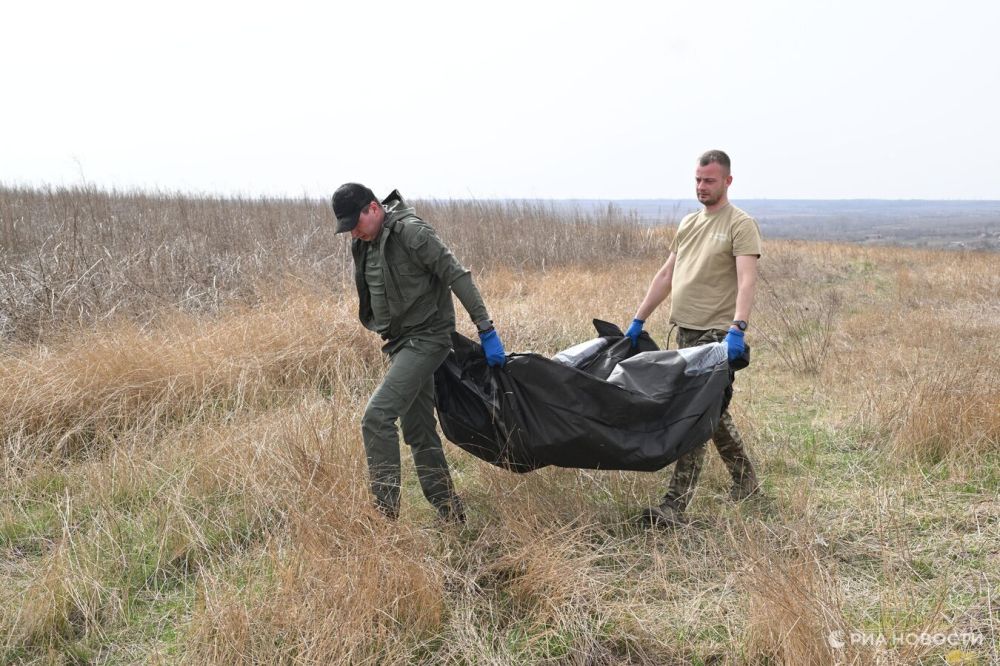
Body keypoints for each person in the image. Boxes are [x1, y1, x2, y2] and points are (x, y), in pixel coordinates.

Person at [333, 183, 506, 522]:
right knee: (419, 429)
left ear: (373, 208)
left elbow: (456, 274)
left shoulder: (412, 232)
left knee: (376, 417)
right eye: (348, 226)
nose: (353, 231)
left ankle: (384, 519)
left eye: (356, 222)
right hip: (400, 344)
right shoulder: (366, 242)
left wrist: (486, 329)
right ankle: (450, 512)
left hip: (428, 338)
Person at [624, 150, 762, 527]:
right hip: (686, 332)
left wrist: (738, 328)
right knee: (711, 412)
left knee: (694, 414)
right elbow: (666, 275)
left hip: (718, 335)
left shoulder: (740, 224)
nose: (702, 187)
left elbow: (747, 279)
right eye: (698, 180)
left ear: (727, 181)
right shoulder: (688, 223)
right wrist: (638, 319)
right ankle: (746, 481)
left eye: (710, 181)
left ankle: (674, 506)